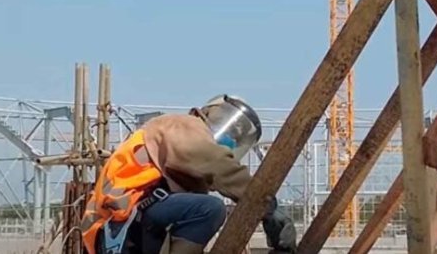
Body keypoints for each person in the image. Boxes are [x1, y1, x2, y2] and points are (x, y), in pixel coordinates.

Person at [81, 94, 297, 254]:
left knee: (199, 206)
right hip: (120, 225)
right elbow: (217, 164)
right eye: (232, 129)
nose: (230, 141)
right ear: (210, 114)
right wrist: (267, 205)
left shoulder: (181, 162)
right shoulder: (183, 126)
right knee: (208, 208)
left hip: (126, 226)